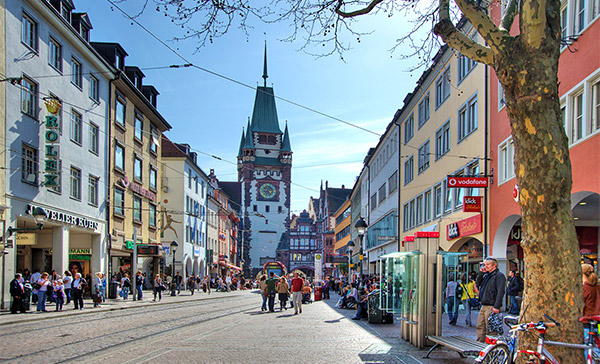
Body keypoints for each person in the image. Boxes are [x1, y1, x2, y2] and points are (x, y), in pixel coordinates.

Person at [475, 257, 506, 342]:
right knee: (480, 326)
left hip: (491, 305)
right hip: (484, 304)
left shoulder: (499, 276)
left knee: (491, 329)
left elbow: (501, 291)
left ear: (494, 265)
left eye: (488, 264)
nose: (486, 266)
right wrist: (481, 274)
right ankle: (479, 346)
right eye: (485, 265)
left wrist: (496, 306)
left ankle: (491, 348)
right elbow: (477, 283)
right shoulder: (487, 275)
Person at [582, 264, 600, 344]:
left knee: (587, 345)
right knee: (596, 344)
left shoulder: (585, 288)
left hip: (587, 320)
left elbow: (582, 303)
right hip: (597, 320)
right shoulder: (597, 287)